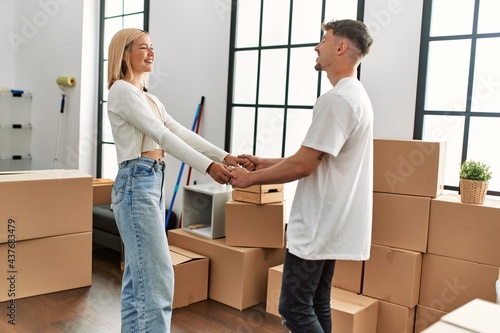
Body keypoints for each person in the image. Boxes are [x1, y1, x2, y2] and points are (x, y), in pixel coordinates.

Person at [229, 19, 374, 333]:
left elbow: (304, 166)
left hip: (318, 223)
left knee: (293, 308)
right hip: (334, 220)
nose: (317, 47)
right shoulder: (355, 95)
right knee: (316, 301)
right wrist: (263, 163)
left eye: (324, 39)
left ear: (341, 47)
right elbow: (313, 157)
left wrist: (249, 179)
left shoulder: (336, 100)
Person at [106, 28, 251, 332]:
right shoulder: (121, 90)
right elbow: (160, 135)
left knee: (139, 277)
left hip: (150, 182)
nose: (151, 53)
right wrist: (206, 167)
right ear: (125, 53)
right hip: (136, 183)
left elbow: (180, 132)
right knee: (158, 278)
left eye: (152, 47)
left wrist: (225, 156)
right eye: (143, 47)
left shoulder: (150, 99)